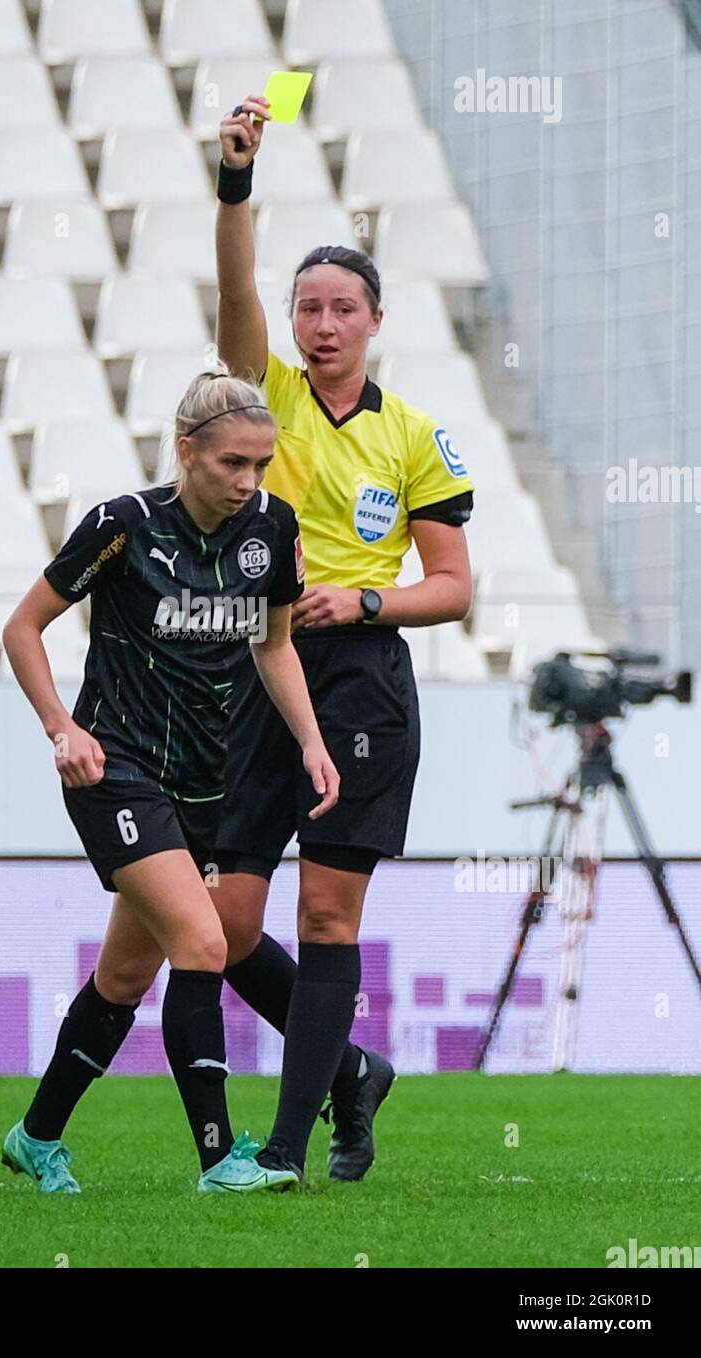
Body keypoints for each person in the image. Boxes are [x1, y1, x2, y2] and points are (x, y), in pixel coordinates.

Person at [202, 94, 476, 1183]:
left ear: (373, 321)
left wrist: (363, 601)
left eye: (340, 307)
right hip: (259, 670)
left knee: (325, 905)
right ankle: (352, 1074)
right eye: (305, 305)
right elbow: (232, 293)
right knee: (222, 924)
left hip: (360, 679)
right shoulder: (264, 395)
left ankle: (284, 1146)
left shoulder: (415, 434)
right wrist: (235, 183)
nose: (319, 323)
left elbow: (452, 588)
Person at [0, 365, 339, 1195]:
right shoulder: (121, 527)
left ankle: (35, 1137)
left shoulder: (270, 529)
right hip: (115, 771)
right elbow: (23, 627)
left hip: (203, 784)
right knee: (204, 942)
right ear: (186, 452)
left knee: (123, 978)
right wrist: (62, 729)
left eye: (259, 463)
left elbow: (272, 644)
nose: (248, 481)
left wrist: (311, 742)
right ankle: (220, 1159)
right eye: (232, 463)